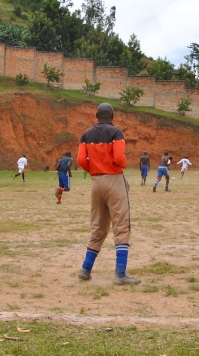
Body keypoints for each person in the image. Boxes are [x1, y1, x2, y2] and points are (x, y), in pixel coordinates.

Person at [76, 103, 140, 285]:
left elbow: (81, 159)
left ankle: (85, 269)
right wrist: (124, 163)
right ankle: (120, 274)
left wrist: (94, 170)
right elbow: (119, 158)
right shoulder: (116, 133)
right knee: (121, 224)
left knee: (98, 226)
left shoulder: (86, 135)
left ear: (96, 115)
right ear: (112, 115)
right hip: (114, 180)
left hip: (96, 182)